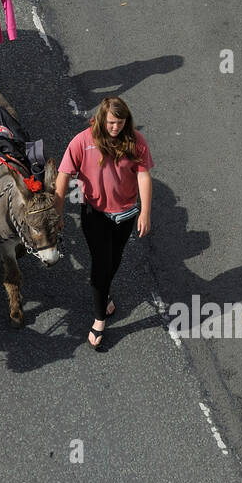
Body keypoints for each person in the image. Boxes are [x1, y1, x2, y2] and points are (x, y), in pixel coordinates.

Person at [54, 96, 153, 349]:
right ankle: (99, 319)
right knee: (101, 264)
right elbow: (63, 176)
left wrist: (145, 213)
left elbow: (143, 176)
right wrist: (58, 213)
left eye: (120, 122)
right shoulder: (82, 141)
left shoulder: (135, 141)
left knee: (114, 259)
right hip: (94, 214)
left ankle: (104, 293)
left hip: (125, 215)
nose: (115, 127)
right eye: (111, 122)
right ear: (101, 119)